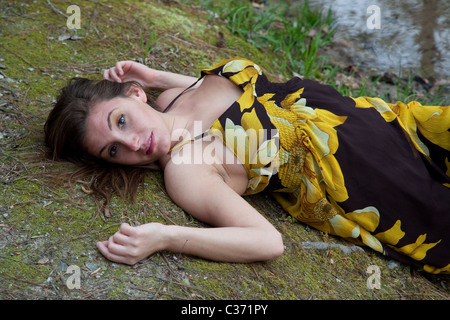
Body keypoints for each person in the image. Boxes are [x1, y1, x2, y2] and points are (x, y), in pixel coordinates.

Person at [44, 57, 450, 274]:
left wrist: (153, 75)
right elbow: (268, 242)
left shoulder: (169, 95)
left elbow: (232, 97)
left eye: (121, 121)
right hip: (358, 170)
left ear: (135, 94)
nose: (133, 143)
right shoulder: (185, 169)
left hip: (368, 119)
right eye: (114, 151)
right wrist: (165, 237)